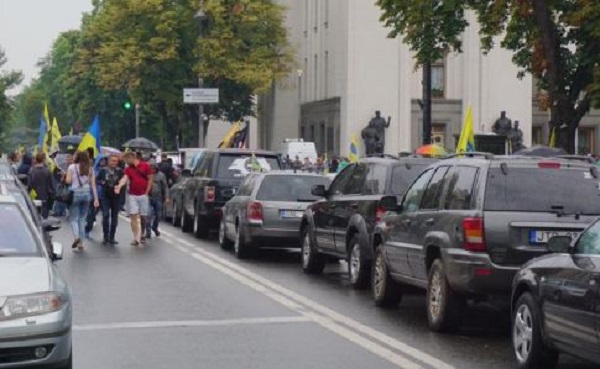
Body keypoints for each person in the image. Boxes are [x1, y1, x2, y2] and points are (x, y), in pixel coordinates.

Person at [115, 152, 153, 246]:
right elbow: (124, 178)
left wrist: (147, 192)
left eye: (126, 160)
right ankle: (136, 237)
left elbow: (150, 179)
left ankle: (142, 233)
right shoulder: (128, 169)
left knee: (143, 216)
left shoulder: (145, 166)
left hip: (143, 194)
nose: (126, 162)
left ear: (132, 157)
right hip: (132, 194)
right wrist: (119, 186)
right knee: (133, 215)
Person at [65, 151, 99, 251]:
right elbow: (93, 184)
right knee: (82, 218)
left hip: (75, 193)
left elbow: (68, 181)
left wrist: (65, 176)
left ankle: (76, 237)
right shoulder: (90, 169)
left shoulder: (71, 167)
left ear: (77, 157)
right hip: (87, 194)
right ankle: (81, 243)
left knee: (74, 218)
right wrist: (96, 199)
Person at [97, 154, 124, 245]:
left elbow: (123, 182)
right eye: (112, 161)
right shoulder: (103, 170)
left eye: (116, 161)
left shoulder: (120, 171)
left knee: (114, 217)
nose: (114, 163)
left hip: (116, 197)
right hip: (106, 196)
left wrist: (120, 189)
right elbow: (97, 180)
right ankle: (105, 236)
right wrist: (102, 182)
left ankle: (112, 237)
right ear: (108, 161)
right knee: (105, 215)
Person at [27, 153, 56, 219]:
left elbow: (29, 185)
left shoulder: (32, 170)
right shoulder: (47, 171)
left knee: (34, 214)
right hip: (45, 196)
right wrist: (53, 194)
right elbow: (52, 184)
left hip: (34, 195)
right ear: (43, 160)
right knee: (44, 215)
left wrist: (28, 193)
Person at [147, 164, 169, 239]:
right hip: (148, 197)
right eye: (151, 168)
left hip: (158, 198)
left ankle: (154, 227)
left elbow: (165, 187)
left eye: (154, 168)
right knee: (148, 214)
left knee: (158, 215)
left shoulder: (161, 176)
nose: (152, 170)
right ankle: (148, 231)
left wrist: (166, 197)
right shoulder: (147, 174)